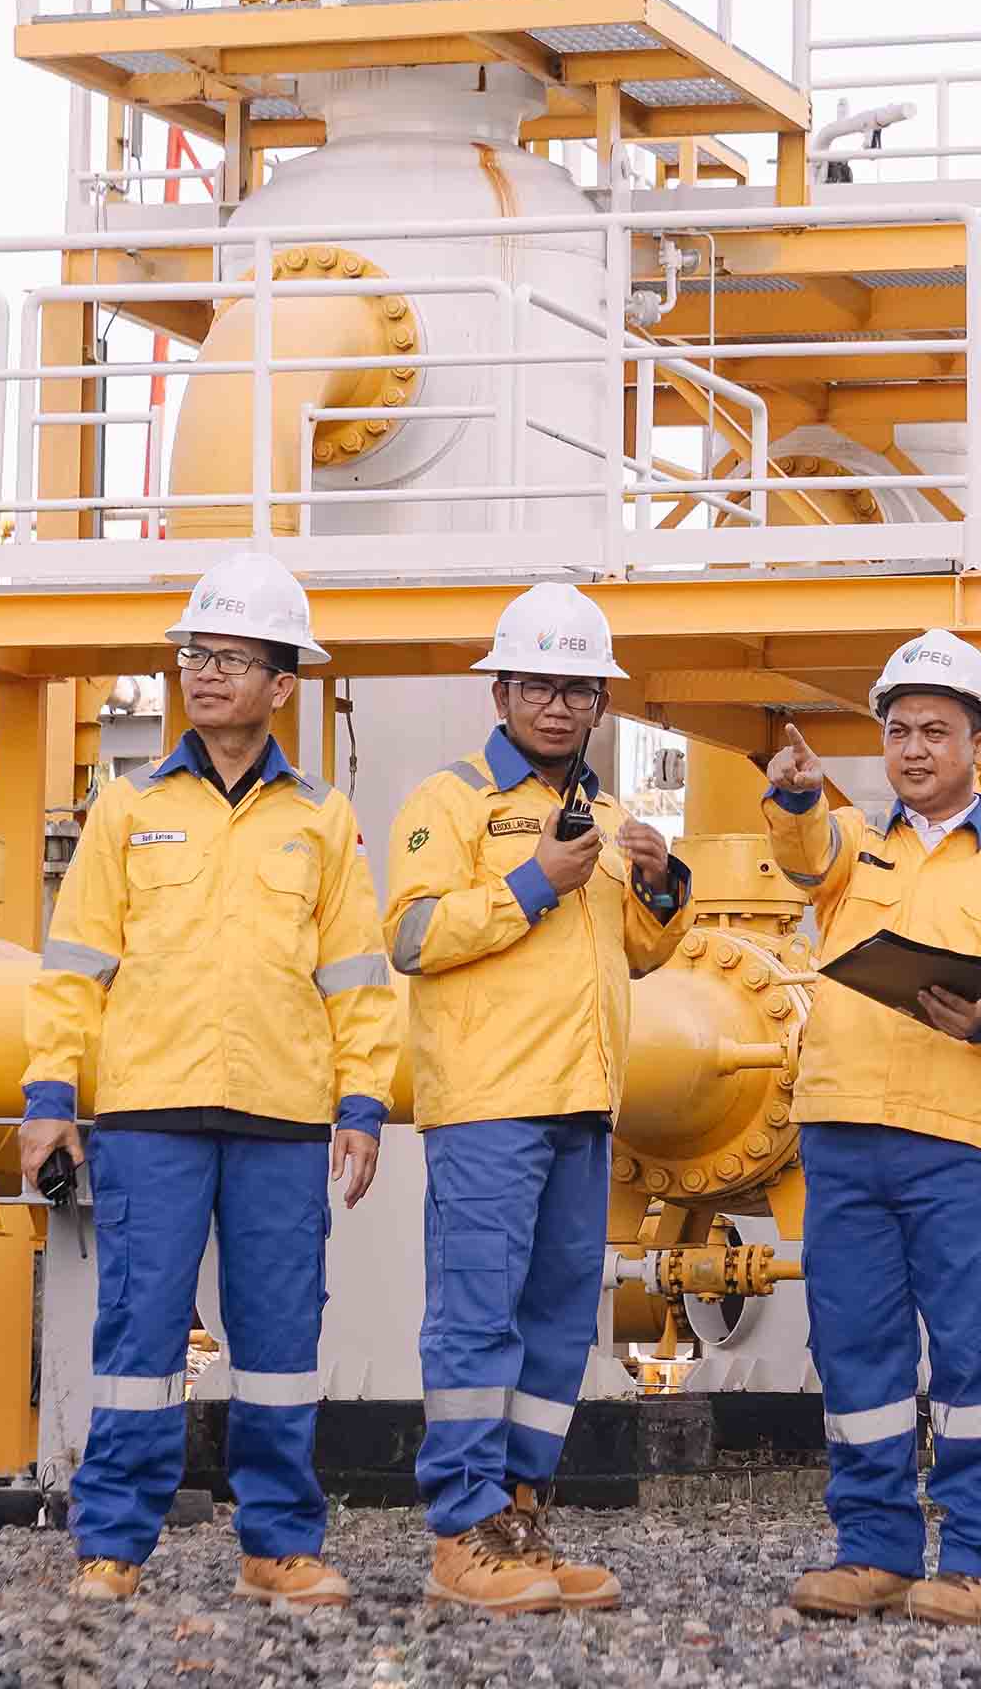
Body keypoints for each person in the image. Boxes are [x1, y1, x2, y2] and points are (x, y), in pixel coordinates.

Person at [17, 549, 402, 1611]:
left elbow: (359, 978)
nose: (206, 672)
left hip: (282, 1115)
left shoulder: (321, 820)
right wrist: (50, 1098)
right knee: (137, 1338)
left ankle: (278, 1543)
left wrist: (363, 1103)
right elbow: (74, 966)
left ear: (282, 683)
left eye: (231, 657)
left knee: (280, 1343)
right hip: (149, 1113)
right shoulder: (126, 807)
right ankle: (113, 1543)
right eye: (196, 653)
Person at [761, 632, 981, 1628]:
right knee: (856, 1351)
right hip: (845, 1132)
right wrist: (794, 797)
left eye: (935, 731)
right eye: (899, 729)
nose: (912, 748)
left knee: (978, 1352)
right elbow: (803, 855)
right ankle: (873, 1551)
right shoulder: (852, 841)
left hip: (962, 1137)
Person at [384, 582, 695, 1615]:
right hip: (487, 1102)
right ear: (502, 693)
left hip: (581, 1103)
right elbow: (412, 936)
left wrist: (662, 883)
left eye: (576, 689)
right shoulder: (450, 803)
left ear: (601, 703)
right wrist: (532, 881)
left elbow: (637, 954)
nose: (557, 706)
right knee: (475, 1321)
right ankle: (462, 1527)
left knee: (559, 1324)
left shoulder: (604, 817)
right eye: (537, 686)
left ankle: (519, 1513)